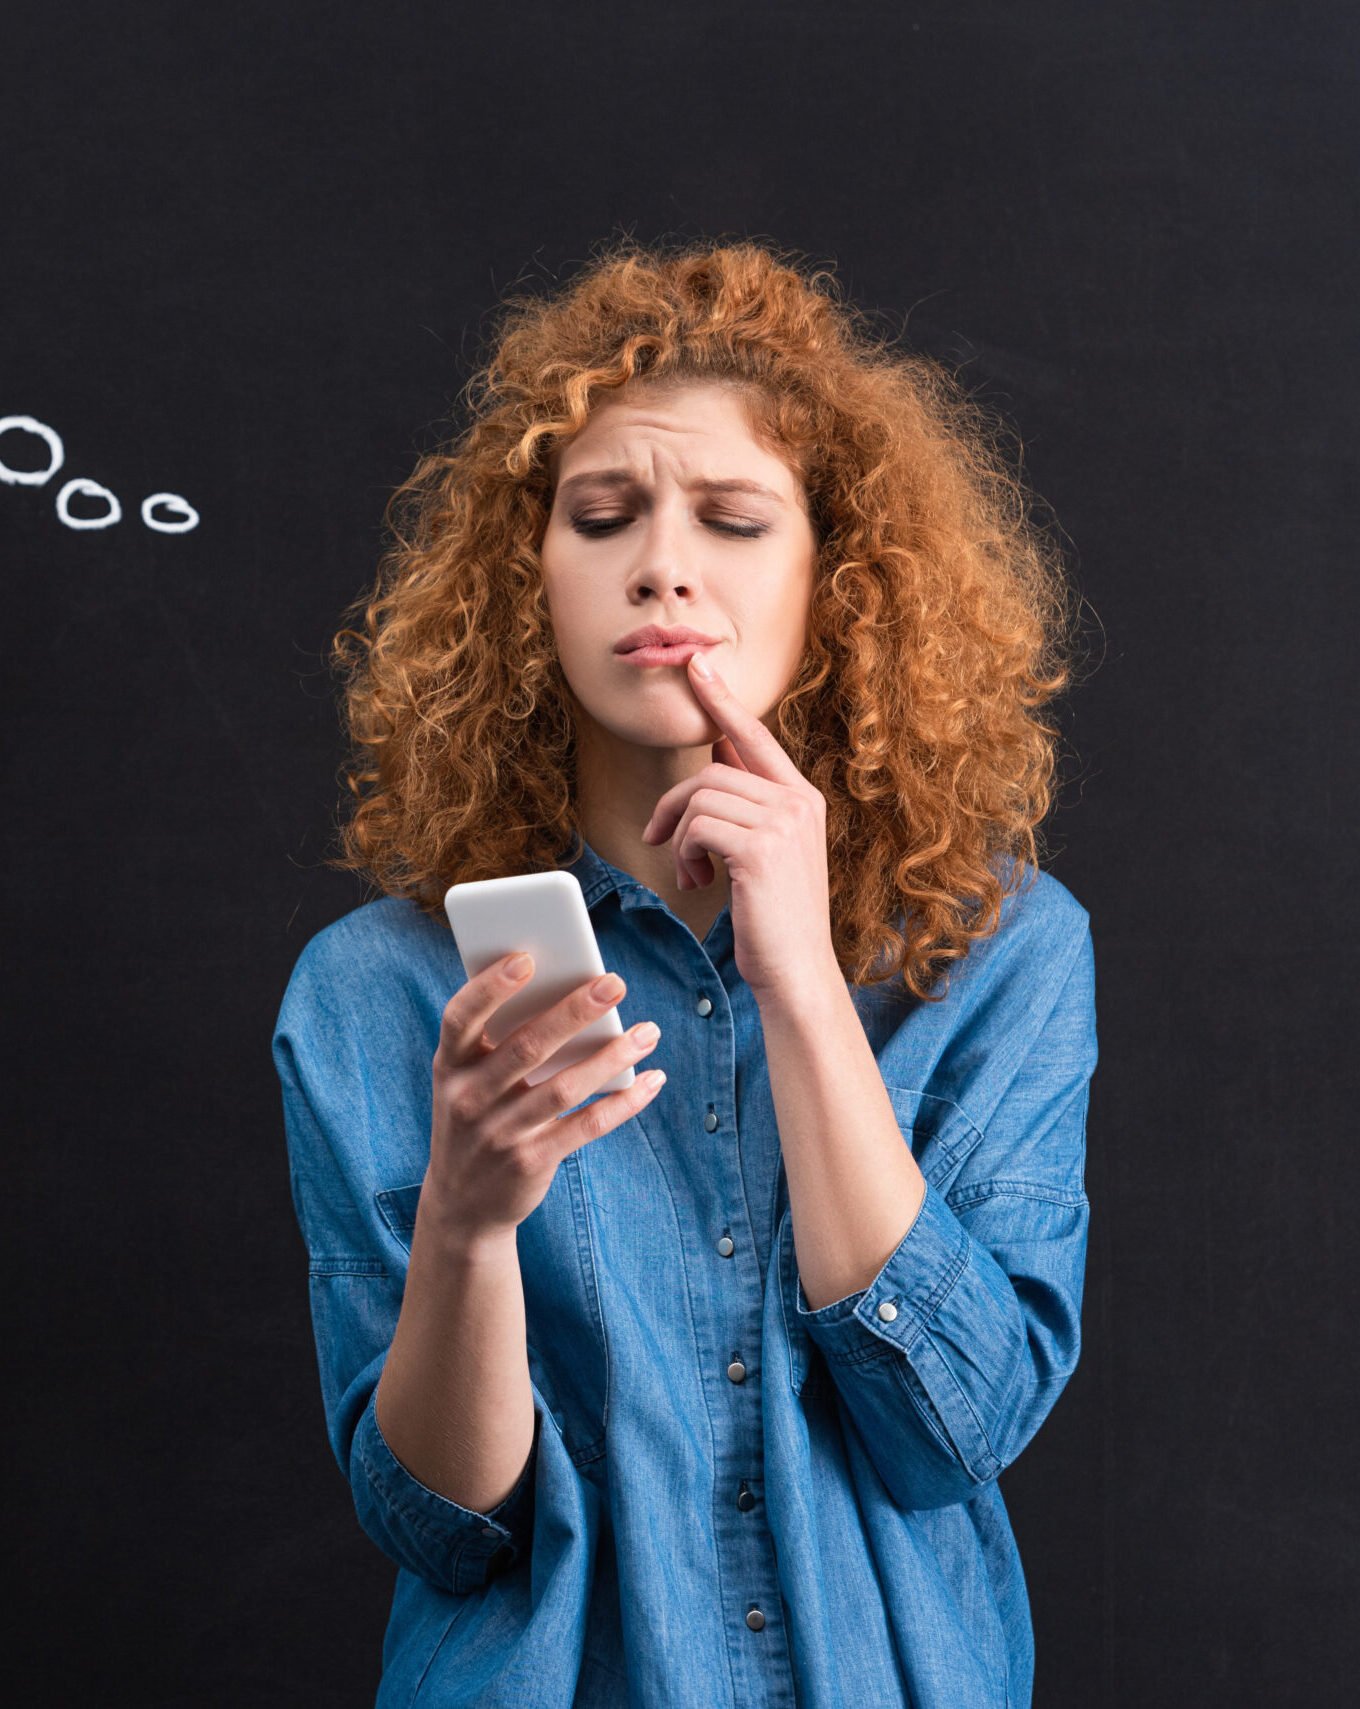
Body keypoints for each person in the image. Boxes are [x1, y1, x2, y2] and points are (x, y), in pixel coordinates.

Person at [271, 236, 1098, 1709]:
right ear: (528, 580)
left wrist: (797, 975)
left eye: (732, 518)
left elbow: (956, 1423)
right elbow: (448, 1531)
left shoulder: (1005, 948)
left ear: (833, 580)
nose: (661, 560)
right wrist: (465, 1225)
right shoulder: (372, 992)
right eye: (603, 515)